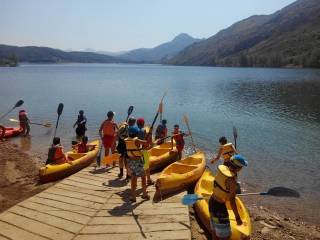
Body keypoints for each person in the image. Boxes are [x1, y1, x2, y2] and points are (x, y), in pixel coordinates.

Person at [209, 154, 248, 240]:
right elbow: (232, 201)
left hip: (211, 202)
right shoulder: (232, 181)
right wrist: (237, 218)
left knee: (214, 232)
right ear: (239, 168)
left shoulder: (222, 170)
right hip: (220, 208)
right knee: (225, 237)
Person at [125, 126, 150, 202]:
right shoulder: (136, 140)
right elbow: (147, 144)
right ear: (136, 133)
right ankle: (144, 194)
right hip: (138, 161)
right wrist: (148, 136)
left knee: (133, 178)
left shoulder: (126, 140)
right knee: (143, 177)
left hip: (130, 161)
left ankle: (133, 196)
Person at [136, 117, 154, 185]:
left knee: (137, 167)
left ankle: (131, 179)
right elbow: (151, 144)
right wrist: (151, 133)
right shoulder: (146, 132)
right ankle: (148, 180)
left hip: (135, 152)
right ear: (143, 124)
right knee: (146, 166)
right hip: (144, 151)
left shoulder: (134, 131)